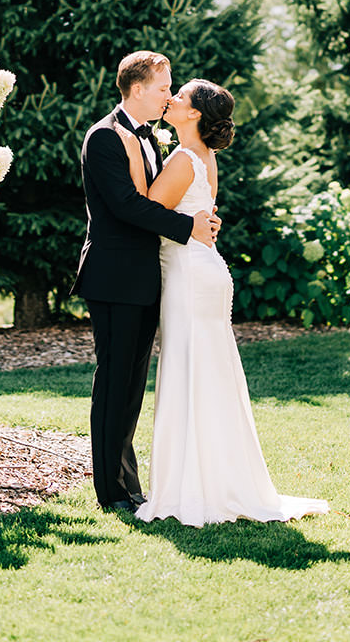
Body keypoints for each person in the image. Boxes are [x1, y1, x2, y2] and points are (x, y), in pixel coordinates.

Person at [115, 78, 329, 527]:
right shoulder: (205, 158)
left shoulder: (181, 158)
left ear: (193, 114)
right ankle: (218, 479)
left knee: (190, 370)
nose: (170, 99)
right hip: (206, 269)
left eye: (180, 97)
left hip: (189, 275)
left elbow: (145, 211)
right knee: (208, 372)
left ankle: (195, 488)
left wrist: (133, 160)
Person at [73, 51, 220, 513]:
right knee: (114, 382)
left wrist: (198, 223)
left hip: (146, 277)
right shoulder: (103, 138)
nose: (167, 96)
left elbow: (161, 200)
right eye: (162, 88)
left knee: (133, 386)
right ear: (137, 89)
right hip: (114, 276)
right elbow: (124, 206)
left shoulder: (149, 139)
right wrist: (188, 228)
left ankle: (129, 484)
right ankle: (111, 491)